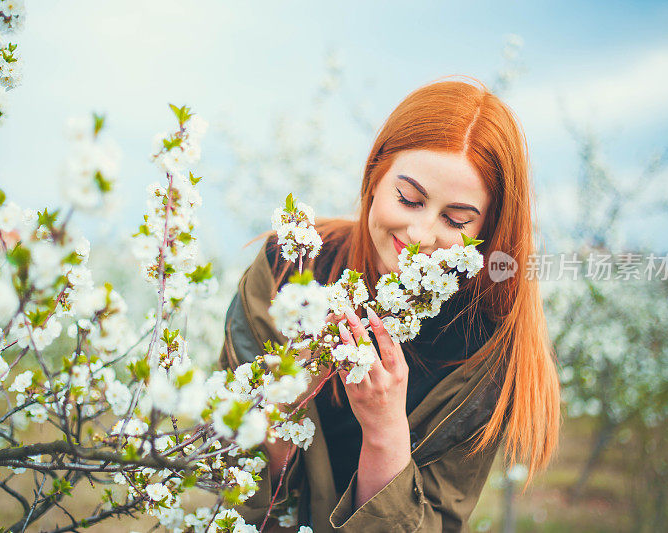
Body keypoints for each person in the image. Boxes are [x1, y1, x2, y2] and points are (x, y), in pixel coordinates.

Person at [218, 76, 561, 532]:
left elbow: (435, 520)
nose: (420, 237)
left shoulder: (484, 348)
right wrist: (288, 394)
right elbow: (232, 479)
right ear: (376, 175)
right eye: (409, 198)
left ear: (485, 233)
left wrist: (385, 433)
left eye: (455, 220)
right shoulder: (290, 267)